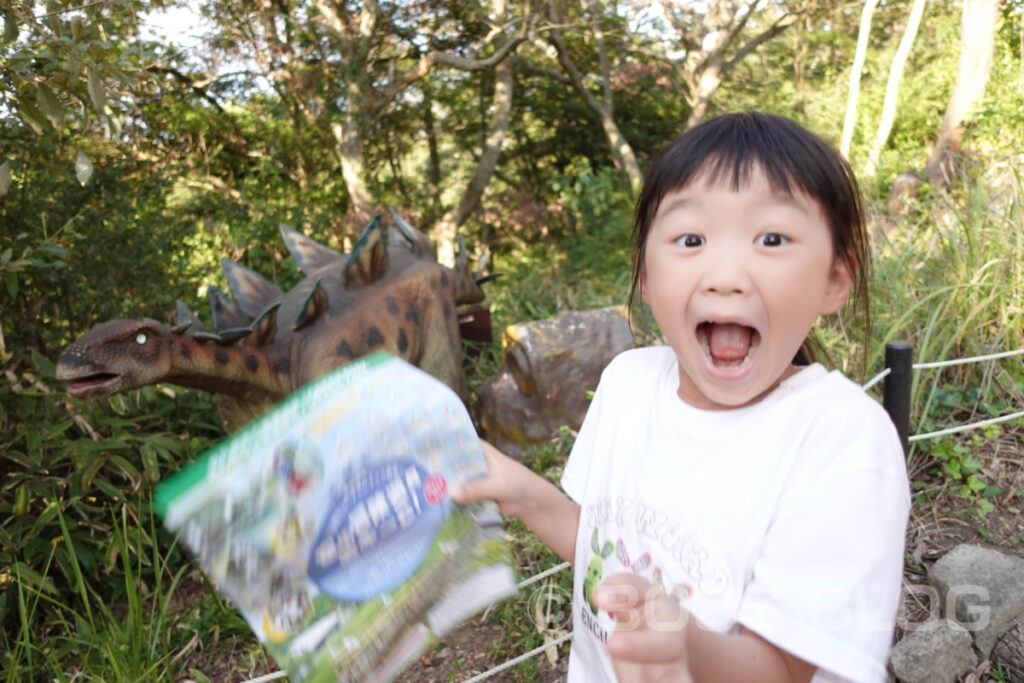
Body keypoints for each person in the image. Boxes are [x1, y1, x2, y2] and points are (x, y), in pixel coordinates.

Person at [452, 111, 910, 683]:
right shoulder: (628, 383)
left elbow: (780, 670)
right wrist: (525, 496)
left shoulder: (841, 440)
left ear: (834, 280)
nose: (725, 275)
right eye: (690, 239)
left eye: (771, 238)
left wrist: (684, 647)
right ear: (646, 277)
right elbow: (607, 553)